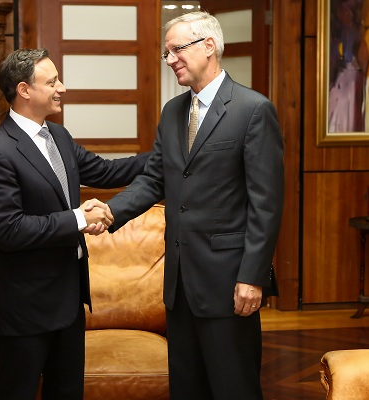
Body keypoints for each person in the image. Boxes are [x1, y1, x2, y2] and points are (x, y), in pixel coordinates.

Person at [105, 11, 284, 400]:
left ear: (209, 46)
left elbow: (265, 204)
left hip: (228, 284)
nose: (170, 60)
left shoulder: (253, 110)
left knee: (233, 388)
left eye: (176, 50)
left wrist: (253, 277)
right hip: (179, 286)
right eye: (166, 54)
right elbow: (154, 179)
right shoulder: (172, 113)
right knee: (187, 388)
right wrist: (109, 212)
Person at [0, 48, 150, 400]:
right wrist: (80, 218)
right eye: (52, 81)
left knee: (67, 391)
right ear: (24, 90)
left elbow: (107, 172)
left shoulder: (58, 136)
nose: (62, 88)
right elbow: (9, 231)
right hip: (24, 307)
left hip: (68, 300)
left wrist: (167, 154)